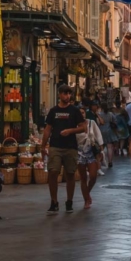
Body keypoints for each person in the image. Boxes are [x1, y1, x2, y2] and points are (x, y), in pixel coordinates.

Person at [42, 84, 87, 214]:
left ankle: (69, 201)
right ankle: (54, 202)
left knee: (70, 174)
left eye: (69, 94)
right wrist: (43, 146)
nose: (67, 96)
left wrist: (71, 130)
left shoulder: (74, 111)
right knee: (52, 173)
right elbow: (47, 129)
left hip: (70, 147)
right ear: (59, 95)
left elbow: (83, 127)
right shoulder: (53, 111)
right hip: (55, 146)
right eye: (64, 94)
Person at [76, 105, 104, 208]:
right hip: (79, 153)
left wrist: (101, 150)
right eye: (79, 113)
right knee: (83, 178)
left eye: (83, 113)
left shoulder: (91, 123)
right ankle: (86, 200)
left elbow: (98, 135)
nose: (81, 115)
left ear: (85, 113)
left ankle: (87, 193)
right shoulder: (74, 125)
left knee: (93, 176)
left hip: (91, 152)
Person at [99, 103, 118, 169]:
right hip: (109, 131)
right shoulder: (110, 114)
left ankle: (99, 162)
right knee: (110, 147)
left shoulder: (99, 114)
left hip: (101, 131)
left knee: (101, 148)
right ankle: (110, 162)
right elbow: (115, 121)